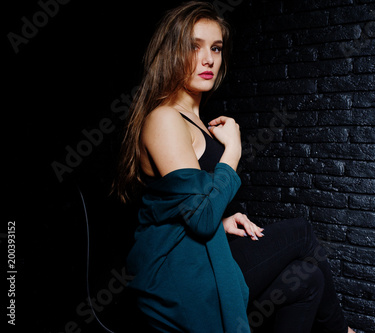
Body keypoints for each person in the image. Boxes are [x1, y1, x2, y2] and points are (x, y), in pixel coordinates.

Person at [113, 1, 355, 332]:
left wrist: (223, 220)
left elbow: (185, 203)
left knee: (308, 279)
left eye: (216, 48)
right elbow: (200, 217)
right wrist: (234, 150)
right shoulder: (165, 118)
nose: (208, 59)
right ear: (171, 53)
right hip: (178, 274)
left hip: (200, 255)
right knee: (301, 233)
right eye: (194, 47)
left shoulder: (193, 121)